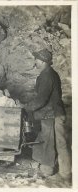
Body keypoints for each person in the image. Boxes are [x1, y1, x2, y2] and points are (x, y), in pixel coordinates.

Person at [23, 49, 71, 181]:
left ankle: (50, 170)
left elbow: (41, 99)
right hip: (54, 112)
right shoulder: (50, 74)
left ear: (43, 61)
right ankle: (64, 173)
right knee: (57, 142)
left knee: (51, 141)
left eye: (37, 59)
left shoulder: (47, 75)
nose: (35, 62)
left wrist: (26, 108)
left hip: (53, 114)